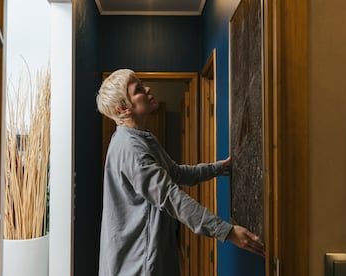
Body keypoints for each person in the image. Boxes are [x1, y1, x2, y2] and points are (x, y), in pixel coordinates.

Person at [96, 69, 265, 276]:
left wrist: (217, 168)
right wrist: (227, 231)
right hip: (138, 266)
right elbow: (171, 198)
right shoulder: (132, 150)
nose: (148, 89)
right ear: (123, 108)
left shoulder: (141, 138)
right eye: (138, 89)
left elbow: (174, 173)